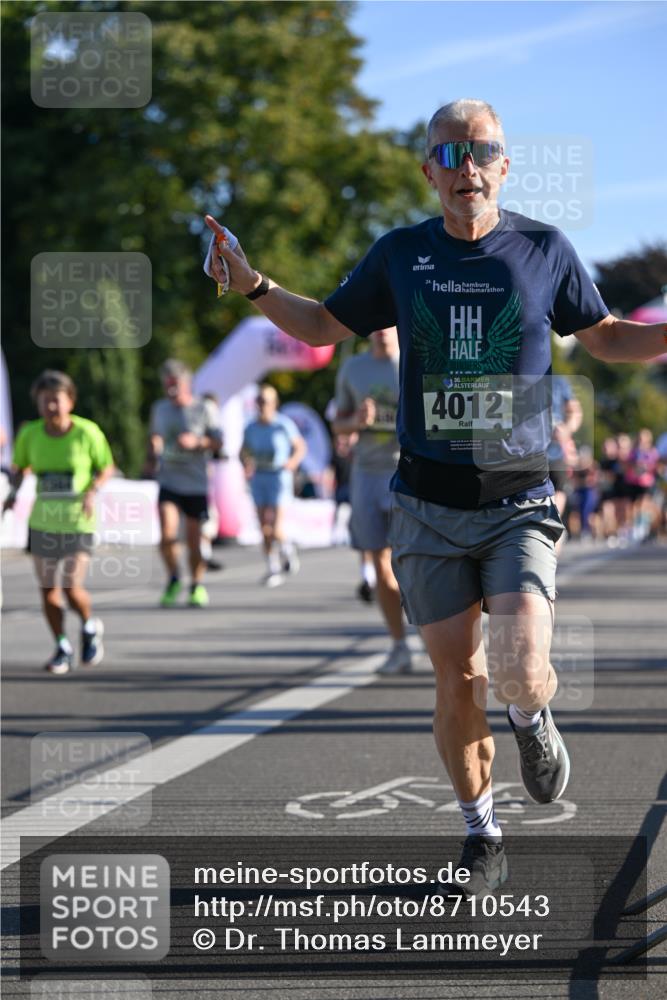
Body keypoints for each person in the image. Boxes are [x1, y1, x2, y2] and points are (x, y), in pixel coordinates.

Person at [204, 97, 667, 897]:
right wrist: (251, 283)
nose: (465, 169)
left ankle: (529, 717)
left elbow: (609, 338)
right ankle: (481, 832)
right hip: (425, 504)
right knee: (455, 680)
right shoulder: (400, 254)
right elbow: (319, 325)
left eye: (479, 152)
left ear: (502, 164)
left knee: (519, 671)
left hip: (518, 499)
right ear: (428, 173)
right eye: (448, 158)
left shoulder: (543, 250)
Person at [3, 370, 114, 674]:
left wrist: (92, 491)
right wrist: (12, 492)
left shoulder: (87, 432)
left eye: (56, 400)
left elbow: (106, 467)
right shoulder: (31, 434)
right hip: (43, 522)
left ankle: (90, 625)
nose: (50, 407)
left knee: (69, 585)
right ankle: (62, 645)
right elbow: (21, 467)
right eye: (44, 401)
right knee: (47, 588)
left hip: (78, 521)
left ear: (70, 401)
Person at [334, 327, 411, 673]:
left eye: (388, 322)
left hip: (407, 473)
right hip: (366, 472)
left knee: (414, 564)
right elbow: (338, 424)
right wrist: (355, 421)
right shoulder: (352, 368)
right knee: (380, 565)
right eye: (376, 323)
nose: (381, 330)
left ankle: (434, 628)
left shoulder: (416, 359)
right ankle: (399, 645)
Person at [148, 360, 223, 607]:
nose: (171, 390)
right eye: (167, 385)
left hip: (196, 484)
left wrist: (198, 442)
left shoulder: (204, 409)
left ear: (187, 385)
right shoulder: (159, 409)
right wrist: (155, 446)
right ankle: (173, 578)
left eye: (175, 385)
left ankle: (196, 585)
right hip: (169, 479)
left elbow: (219, 443)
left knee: (194, 541)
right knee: (167, 534)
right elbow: (156, 436)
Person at [241, 384, 306, 587]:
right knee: (263, 527)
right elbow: (243, 451)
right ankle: (273, 568)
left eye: (266, 401)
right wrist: (246, 463)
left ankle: (287, 548)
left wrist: (292, 462)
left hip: (279, 476)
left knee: (276, 528)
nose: (262, 405)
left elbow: (300, 447)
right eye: (259, 401)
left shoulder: (283, 424)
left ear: (274, 404)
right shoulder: (250, 427)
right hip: (259, 477)